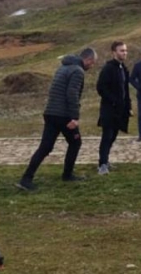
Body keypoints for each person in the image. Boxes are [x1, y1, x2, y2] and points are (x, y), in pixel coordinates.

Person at [17, 48, 98, 189]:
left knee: (45, 147)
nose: (92, 66)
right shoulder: (77, 71)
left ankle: (26, 178)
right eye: (93, 63)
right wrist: (74, 117)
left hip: (51, 112)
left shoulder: (63, 67)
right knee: (75, 142)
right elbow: (72, 94)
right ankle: (68, 175)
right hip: (64, 115)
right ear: (88, 60)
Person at [96, 41, 132, 175]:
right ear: (114, 52)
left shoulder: (124, 68)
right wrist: (114, 101)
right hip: (109, 109)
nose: (124, 53)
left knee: (113, 136)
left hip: (120, 110)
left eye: (125, 50)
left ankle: (106, 160)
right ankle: (102, 164)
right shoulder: (108, 68)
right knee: (107, 136)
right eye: (121, 50)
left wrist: (128, 106)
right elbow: (101, 88)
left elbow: (125, 89)